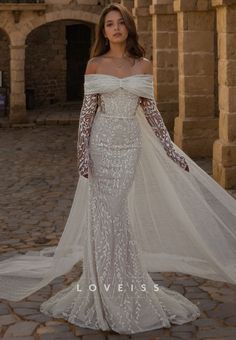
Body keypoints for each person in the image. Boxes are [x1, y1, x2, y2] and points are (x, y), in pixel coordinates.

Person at [0, 2, 236, 335]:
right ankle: (104, 285)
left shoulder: (144, 65)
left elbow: (152, 113)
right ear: (104, 31)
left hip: (128, 146)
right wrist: (82, 153)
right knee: (105, 214)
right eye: (109, 23)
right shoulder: (95, 65)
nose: (115, 28)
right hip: (101, 143)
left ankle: (123, 283)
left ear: (128, 27)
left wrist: (171, 149)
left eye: (120, 22)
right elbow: (86, 113)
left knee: (116, 213)